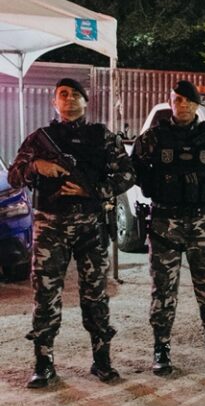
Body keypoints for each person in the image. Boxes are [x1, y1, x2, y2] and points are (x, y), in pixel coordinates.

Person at [8, 78, 135, 388]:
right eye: (62, 94)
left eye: (75, 94)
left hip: (90, 224)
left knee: (96, 295)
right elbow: (14, 176)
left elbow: (127, 175)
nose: (69, 99)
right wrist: (36, 166)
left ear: (85, 102)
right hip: (50, 226)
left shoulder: (103, 137)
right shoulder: (40, 139)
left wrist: (93, 190)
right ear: (54, 102)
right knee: (45, 294)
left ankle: (101, 360)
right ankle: (43, 363)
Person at [131, 80, 205, 376]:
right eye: (177, 99)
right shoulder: (153, 138)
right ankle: (161, 349)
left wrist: (204, 189)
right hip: (165, 223)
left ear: (196, 105)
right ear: (171, 102)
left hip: (203, 222)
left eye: (188, 100)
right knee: (163, 291)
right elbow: (134, 169)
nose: (182, 105)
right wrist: (157, 185)